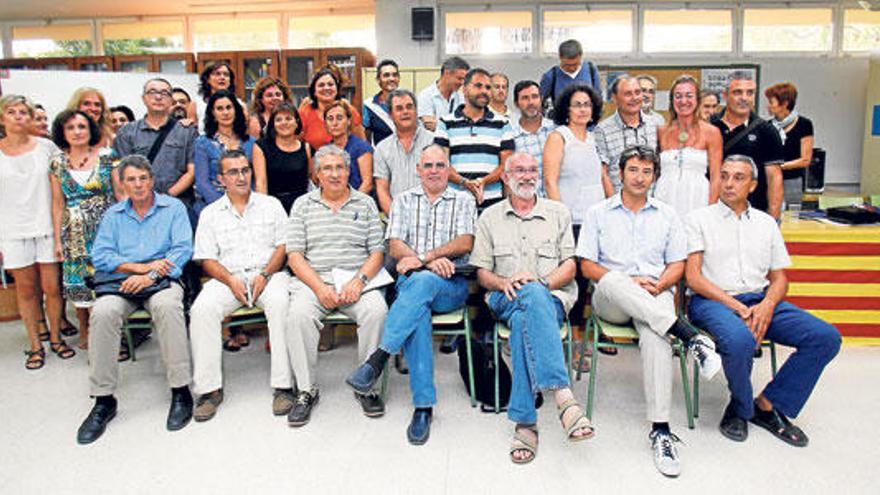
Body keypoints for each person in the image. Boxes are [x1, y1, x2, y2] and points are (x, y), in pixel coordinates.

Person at [577, 145, 721, 477]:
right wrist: (629, 281)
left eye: (646, 171)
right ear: (621, 173)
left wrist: (658, 285)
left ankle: (660, 429)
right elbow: (586, 266)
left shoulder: (668, 215)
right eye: (633, 170)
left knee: (658, 336)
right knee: (614, 280)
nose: (639, 177)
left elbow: (677, 264)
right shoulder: (598, 212)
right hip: (611, 299)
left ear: (654, 176)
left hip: (655, 293)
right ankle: (690, 336)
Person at [685, 155, 840, 448]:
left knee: (825, 337)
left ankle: (768, 404)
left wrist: (766, 305)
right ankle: (740, 408)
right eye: (724, 176)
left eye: (738, 177)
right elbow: (693, 278)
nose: (729, 183)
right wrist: (738, 308)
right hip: (712, 300)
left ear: (753, 185)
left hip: (760, 297)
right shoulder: (698, 219)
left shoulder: (767, 223)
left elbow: (780, 278)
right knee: (740, 339)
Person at [346, 144, 477, 445]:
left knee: (422, 286)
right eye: (427, 165)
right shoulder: (403, 200)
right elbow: (394, 245)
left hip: (451, 284)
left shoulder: (463, 199)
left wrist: (424, 258)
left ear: (448, 169)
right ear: (418, 170)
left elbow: (465, 242)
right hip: (412, 285)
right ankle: (423, 406)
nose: (433, 171)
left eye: (439, 165)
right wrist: (427, 263)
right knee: (417, 308)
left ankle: (379, 358)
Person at [470, 151, 593, 464]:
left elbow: (569, 266)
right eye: (519, 170)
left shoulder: (558, 212)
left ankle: (525, 423)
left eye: (532, 170)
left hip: (551, 296)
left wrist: (539, 283)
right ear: (506, 177)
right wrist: (504, 283)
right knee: (526, 302)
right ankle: (563, 396)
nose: (526, 176)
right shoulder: (489, 217)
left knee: (530, 310)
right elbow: (482, 273)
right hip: (504, 296)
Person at [77, 155, 194, 444]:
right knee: (103, 312)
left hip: (163, 281)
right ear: (123, 184)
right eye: (132, 179)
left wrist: (151, 275)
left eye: (143, 178)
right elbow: (101, 256)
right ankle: (104, 400)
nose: (139, 184)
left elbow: (181, 250)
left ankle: (181, 392)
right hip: (122, 283)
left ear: (152, 180)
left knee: (167, 307)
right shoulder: (114, 215)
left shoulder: (173, 208)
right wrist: (139, 268)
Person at [285, 145, 388, 426]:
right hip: (313, 280)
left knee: (376, 311)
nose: (334, 174)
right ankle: (306, 391)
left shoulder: (365, 203)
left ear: (348, 171)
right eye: (327, 168)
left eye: (340, 167)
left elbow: (377, 252)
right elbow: (294, 255)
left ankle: (367, 386)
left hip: (355, 279)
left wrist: (359, 281)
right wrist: (319, 288)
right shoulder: (302, 205)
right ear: (317, 174)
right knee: (298, 316)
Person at [189, 150, 292, 420]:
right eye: (233, 172)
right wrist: (229, 280)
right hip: (228, 277)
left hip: (268, 274)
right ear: (221, 179)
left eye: (245, 170)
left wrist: (266, 274)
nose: (241, 176)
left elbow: (284, 245)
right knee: (201, 310)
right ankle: (209, 390)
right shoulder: (210, 214)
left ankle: (283, 386)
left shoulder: (271, 205)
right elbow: (206, 258)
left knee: (282, 303)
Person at [0, 94, 70, 370]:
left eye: (23, 112)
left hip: (46, 225)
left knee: (53, 288)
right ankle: (34, 345)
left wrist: (59, 230)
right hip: (12, 230)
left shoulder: (47, 148)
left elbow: (59, 192)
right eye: (11, 112)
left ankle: (55, 338)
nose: (18, 117)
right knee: (26, 290)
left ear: (31, 118)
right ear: (2, 117)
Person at [542, 83, 612, 356]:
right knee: (570, 282)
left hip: (595, 220)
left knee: (588, 283)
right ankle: (569, 342)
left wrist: (611, 209)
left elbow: (602, 177)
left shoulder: (595, 139)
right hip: (569, 219)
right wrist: (561, 218)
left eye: (587, 104)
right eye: (577, 104)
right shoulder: (559, 136)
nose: (583, 109)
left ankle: (583, 337)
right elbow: (549, 180)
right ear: (566, 109)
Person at [49, 109, 120, 352]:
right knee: (81, 288)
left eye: (82, 127)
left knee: (108, 285)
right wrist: (58, 241)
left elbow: (120, 196)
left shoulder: (108, 156)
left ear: (91, 130)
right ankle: (89, 334)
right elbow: (58, 203)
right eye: (71, 128)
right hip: (75, 236)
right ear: (63, 132)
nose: (77, 132)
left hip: (106, 232)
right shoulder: (57, 163)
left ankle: (113, 338)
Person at [114, 78, 197, 216]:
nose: (158, 97)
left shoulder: (186, 131)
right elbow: (121, 174)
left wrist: (165, 197)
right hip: (138, 208)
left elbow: (191, 172)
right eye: (152, 92)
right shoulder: (127, 132)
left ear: (171, 100)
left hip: (178, 206)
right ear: (144, 98)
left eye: (164, 93)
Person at [434, 68, 515, 207]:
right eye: (478, 86)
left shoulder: (503, 123)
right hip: (454, 202)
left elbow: (506, 165)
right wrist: (464, 183)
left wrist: (483, 182)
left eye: (488, 87)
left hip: (492, 202)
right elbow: (441, 164)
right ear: (464, 89)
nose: (484, 91)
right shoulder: (445, 123)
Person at [710, 71, 784, 219]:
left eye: (749, 93)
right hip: (713, 213)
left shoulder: (767, 131)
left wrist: (773, 219)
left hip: (752, 215)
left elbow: (774, 178)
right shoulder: (709, 126)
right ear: (725, 96)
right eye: (737, 92)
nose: (744, 98)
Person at [655, 75, 723, 216]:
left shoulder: (712, 132)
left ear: (697, 100)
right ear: (672, 101)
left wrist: (711, 211)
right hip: (665, 197)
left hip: (698, 199)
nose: (683, 101)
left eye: (689, 96)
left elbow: (716, 176)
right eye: (678, 96)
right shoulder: (661, 131)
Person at [193, 89, 256, 217]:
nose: (225, 112)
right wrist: (226, 207)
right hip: (213, 207)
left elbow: (255, 179)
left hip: (247, 207)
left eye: (229, 107)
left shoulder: (251, 142)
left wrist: (247, 204)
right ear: (213, 113)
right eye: (220, 109)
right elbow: (202, 182)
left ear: (236, 110)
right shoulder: (203, 143)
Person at [594, 76, 659, 193]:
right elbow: (603, 173)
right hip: (619, 203)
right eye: (628, 94)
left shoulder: (656, 125)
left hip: (651, 202)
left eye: (638, 92)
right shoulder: (602, 130)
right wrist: (612, 204)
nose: (634, 98)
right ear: (615, 98)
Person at [253, 103, 312, 213]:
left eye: (288, 119)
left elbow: (311, 179)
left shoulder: (306, 148)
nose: (284, 123)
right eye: (278, 120)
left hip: (301, 207)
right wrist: (264, 211)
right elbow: (261, 183)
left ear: (297, 122)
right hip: (273, 206)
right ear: (273, 124)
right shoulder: (261, 147)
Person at [765, 82, 813, 206]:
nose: (768, 106)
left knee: (791, 218)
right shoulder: (767, 126)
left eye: (771, 102)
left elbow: (805, 159)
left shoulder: (804, 124)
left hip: (792, 181)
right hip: (769, 180)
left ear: (784, 104)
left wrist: (780, 166)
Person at [298, 67, 366, 152]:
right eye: (321, 85)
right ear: (314, 91)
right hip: (314, 162)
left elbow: (362, 144)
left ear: (337, 89)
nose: (326, 88)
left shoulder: (349, 110)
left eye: (330, 84)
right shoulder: (305, 112)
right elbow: (295, 143)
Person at [510, 80, 555, 198]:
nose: (531, 102)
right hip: (527, 207)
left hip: (558, 203)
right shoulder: (511, 137)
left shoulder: (556, 131)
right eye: (525, 98)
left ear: (541, 99)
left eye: (534, 97)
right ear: (516, 103)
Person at [539, 39, 602, 114]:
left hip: (588, 122)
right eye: (567, 65)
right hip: (562, 122)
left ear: (581, 56)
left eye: (575, 64)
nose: (572, 68)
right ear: (560, 57)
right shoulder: (550, 76)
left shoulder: (591, 70)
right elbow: (539, 102)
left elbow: (598, 98)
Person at [324, 101, 373, 194]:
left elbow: (367, 183)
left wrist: (351, 204)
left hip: (358, 202)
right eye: (330, 119)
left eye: (339, 118)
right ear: (325, 124)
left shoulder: (361, 147)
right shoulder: (325, 150)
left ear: (349, 121)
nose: (334, 123)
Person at [417, 56, 469, 132]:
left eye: (464, 79)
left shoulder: (461, 97)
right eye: (459, 78)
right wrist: (457, 126)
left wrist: (441, 125)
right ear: (447, 73)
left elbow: (467, 124)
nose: (462, 83)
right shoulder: (425, 96)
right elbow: (430, 126)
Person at [362, 59, 400, 146]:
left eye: (395, 75)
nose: (391, 78)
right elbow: (366, 136)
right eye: (386, 75)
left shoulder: (408, 103)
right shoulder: (369, 105)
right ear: (378, 80)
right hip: (381, 156)